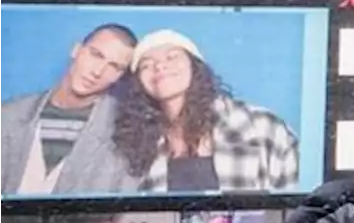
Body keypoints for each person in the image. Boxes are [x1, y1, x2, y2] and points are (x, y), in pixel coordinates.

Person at [113, 29, 300, 194]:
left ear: (195, 67)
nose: (160, 66)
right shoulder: (137, 146)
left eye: (172, 57)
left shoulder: (261, 126)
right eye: (146, 64)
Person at [0, 23, 140, 196]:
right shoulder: (8, 115)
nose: (98, 71)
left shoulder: (126, 130)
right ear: (76, 50)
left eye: (114, 67)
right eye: (96, 55)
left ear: (120, 77)